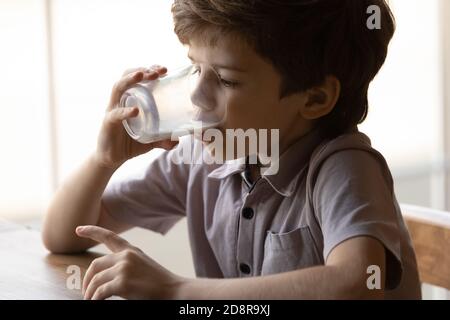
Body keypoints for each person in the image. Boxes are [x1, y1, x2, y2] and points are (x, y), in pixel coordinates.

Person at [42, 0, 421, 299]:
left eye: (225, 79)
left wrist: (176, 291)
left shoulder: (343, 169)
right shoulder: (202, 160)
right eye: (194, 69)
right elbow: (64, 236)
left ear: (315, 97)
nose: (196, 95)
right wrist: (103, 161)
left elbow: (358, 285)